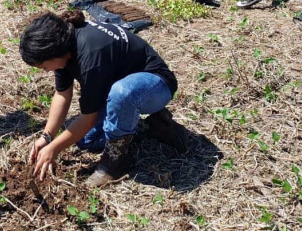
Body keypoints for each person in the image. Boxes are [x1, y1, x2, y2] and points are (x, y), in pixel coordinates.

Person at [22, 10, 188, 187]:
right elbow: (62, 93)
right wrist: (46, 137)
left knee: (122, 93)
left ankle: (115, 164)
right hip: (121, 87)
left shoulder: (90, 53)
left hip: (156, 85)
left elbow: (88, 118)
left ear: (53, 53)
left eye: (43, 66)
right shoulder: (65, 45)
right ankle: (149, 124)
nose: (45, 70)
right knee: (88, 140)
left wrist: (53, 150)